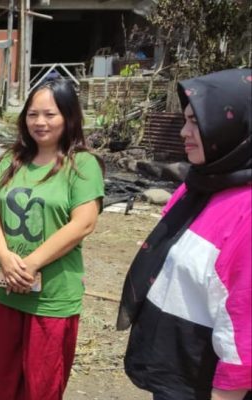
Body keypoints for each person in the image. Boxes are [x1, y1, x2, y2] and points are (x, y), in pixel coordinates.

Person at [117, 68, 252, 400]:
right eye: (185, 120)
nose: (183, 132)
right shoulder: (200, 185)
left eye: (196, 122)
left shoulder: (245, 211)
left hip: (206, 383)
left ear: (231, 125)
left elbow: (244, 318)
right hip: (177, 367)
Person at [0, 78, 104, 400]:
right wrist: (5, 257)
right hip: (7, 291)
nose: (40, 122)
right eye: (33, 114)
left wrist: (31, 264)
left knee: (42, 388)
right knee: (3, 383)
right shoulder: (12, 160)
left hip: (52, 299)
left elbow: (83, 223)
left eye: (50, 114)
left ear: (68, 116)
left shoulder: (83, 165)